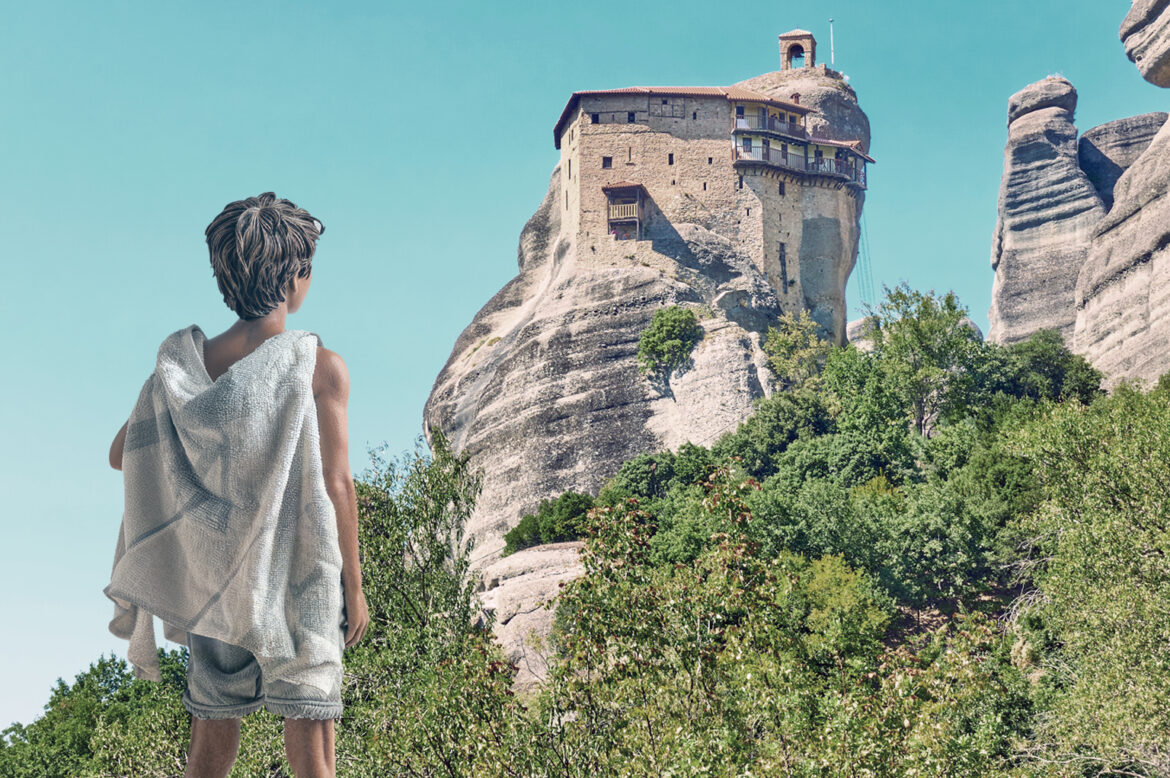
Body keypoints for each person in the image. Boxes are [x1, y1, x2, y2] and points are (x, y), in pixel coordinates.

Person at [106, 192, 370, 778]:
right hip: (300, 578)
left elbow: (124, 454)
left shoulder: (181, 372)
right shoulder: (318, 366)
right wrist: (355, 586)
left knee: (210, 745)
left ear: (225, 277)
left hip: (216, 582)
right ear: (296, 278)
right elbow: (336, 483)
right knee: (312, 748)